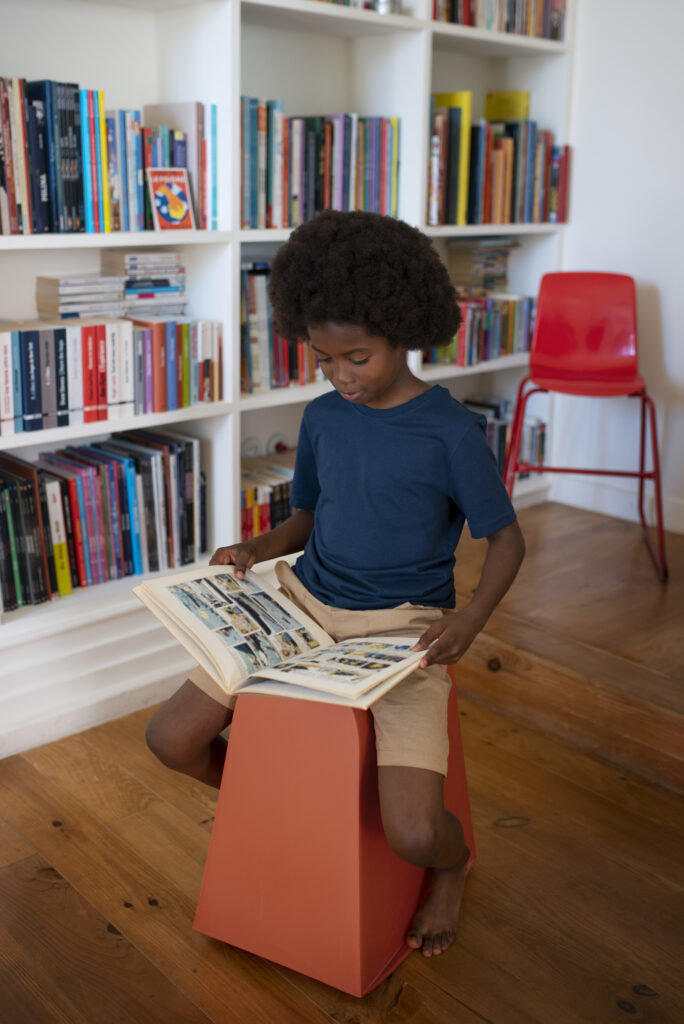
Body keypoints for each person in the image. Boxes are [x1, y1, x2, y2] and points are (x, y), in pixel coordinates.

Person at [146, 209, 525, 958]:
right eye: (324, 360)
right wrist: (257, 546)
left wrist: (470, 621)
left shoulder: (450, 433)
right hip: (303, 603)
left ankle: (453, 870)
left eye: (356, 358)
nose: (340, 377)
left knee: (417, 832)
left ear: (403, 332)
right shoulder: (322, 418)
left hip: (403, 629)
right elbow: (308, 517)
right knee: (170, 739)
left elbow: (507, 541)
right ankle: (289, 806)